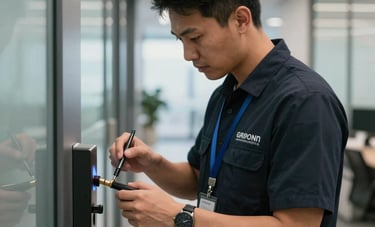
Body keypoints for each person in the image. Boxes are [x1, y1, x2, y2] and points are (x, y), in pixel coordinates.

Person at [108, 0, 349, 226]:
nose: (188, 54)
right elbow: (198, 180)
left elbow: (296, 224)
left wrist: (178, 217)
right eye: (180, 40)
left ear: (241, 20)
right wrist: (153, 163)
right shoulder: (225, 95)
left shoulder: (305, 102)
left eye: (195, 37)